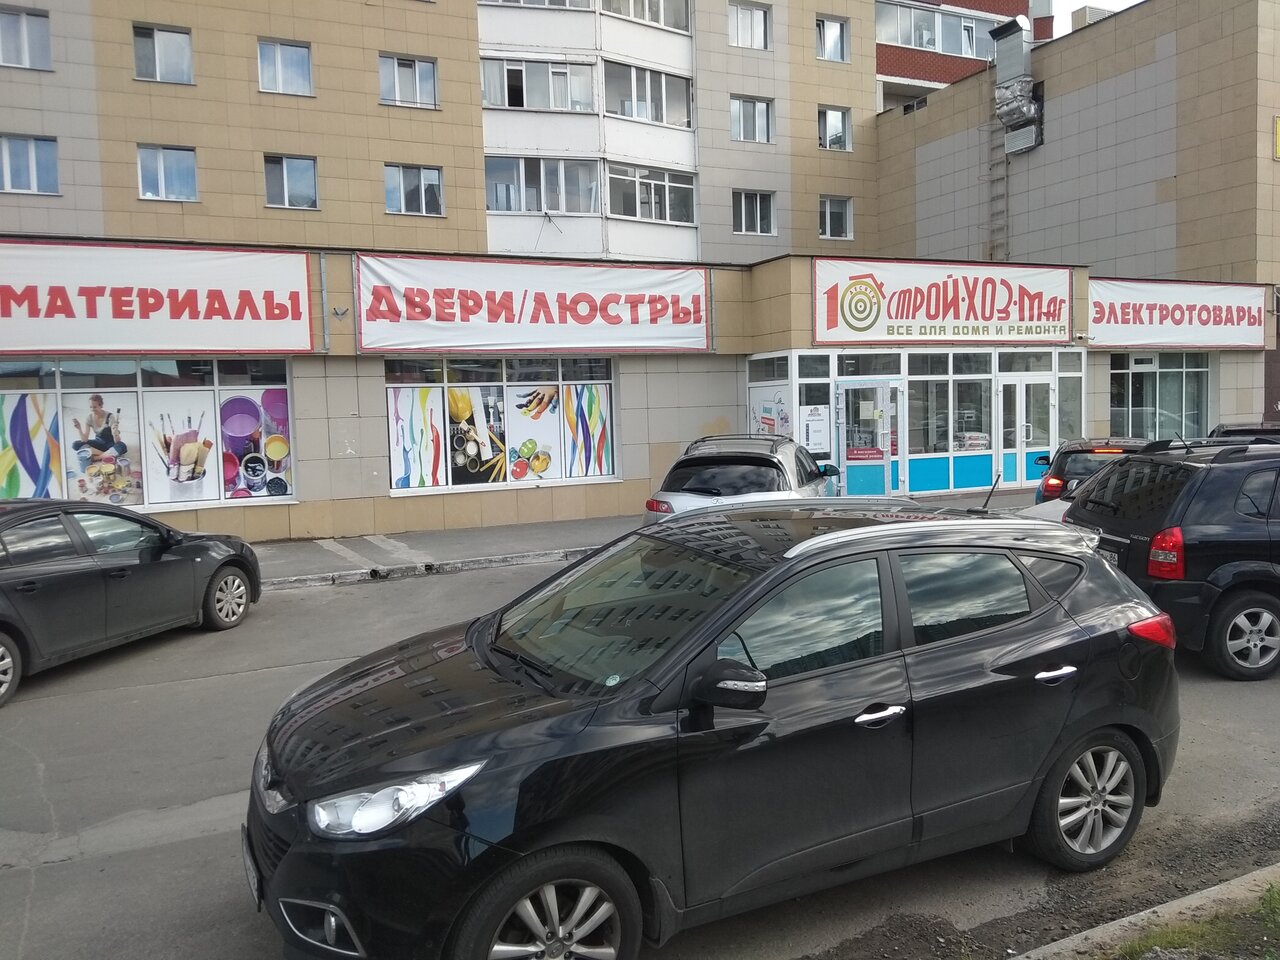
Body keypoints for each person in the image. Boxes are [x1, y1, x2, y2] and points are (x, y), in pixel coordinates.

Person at [71, 394, 127, 461]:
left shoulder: (110, 417)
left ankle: (97, 457)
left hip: (110, 444)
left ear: (101, 406)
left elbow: (117, 441)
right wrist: (79, 428)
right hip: (98, 443)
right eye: (90, 407)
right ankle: (107, 455)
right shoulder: (89, 418)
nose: (92, 409)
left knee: (121, 446)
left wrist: (115, 433)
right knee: (75, 444)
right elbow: (84, 440)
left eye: (95, 407)